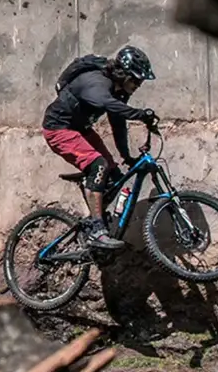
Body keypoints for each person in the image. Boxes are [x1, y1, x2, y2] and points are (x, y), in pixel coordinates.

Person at [40, 45, 159, 249]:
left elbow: (118, 123)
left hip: (79, 129)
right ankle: (96, 230)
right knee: (98, 165)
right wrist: (140, 114)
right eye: (137, 79)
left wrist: (126, 155)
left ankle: (95, 220)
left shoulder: (118, 91)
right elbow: (106, 104)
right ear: (124, 74)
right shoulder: (97, 82)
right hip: (58, 129)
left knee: (113, 174)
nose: (139, 85)